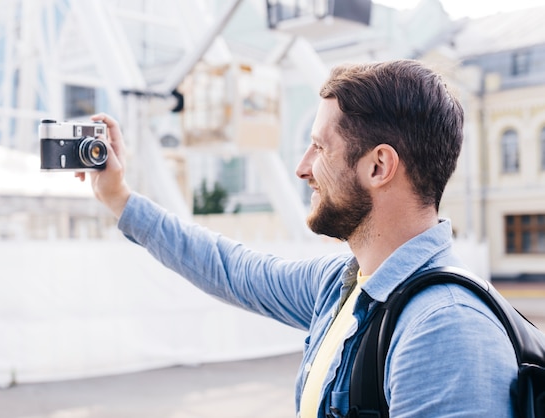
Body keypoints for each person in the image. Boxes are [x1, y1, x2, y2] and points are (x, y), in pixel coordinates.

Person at [76, 59, 517, 417]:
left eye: (320, 147)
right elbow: (230, 268)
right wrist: (120, 198)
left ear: (379, 167)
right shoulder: (344, 288)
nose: (302, 167)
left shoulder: (445, 330)